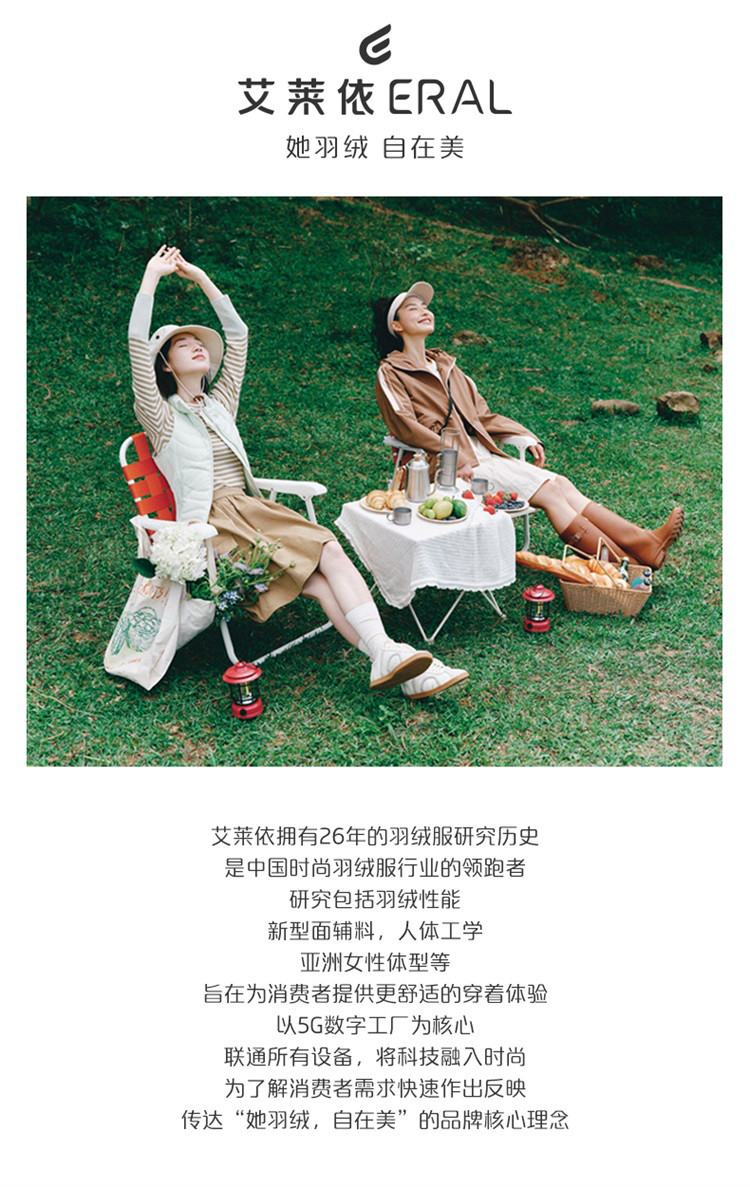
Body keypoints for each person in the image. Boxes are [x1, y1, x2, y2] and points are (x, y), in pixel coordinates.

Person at [128, 248, 468, 699]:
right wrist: (152, 277)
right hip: (214, 526)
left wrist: (202, 279)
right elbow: (136, 346)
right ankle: (391, 655)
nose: (197, 345)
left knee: (328, 566)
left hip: (251, 509)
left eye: (199, 342)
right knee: (325, 560)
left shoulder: (219, 404)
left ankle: (388, 655)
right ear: (166, 365)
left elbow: (238, 335)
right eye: (182, 344)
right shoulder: (162, 417)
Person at [372, 282, 684, 569]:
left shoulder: (447, 366)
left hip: (483, 458)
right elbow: (405, 426)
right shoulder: (391, 372)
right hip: (445, 471)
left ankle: (639, 552)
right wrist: (454, 455)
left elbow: (482, 416)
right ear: (396, 326)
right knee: (551, 493)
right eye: (413, 308)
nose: (424, 311)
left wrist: (521, 433)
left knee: (561, 484)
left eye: (426, 307)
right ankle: (628, 563)